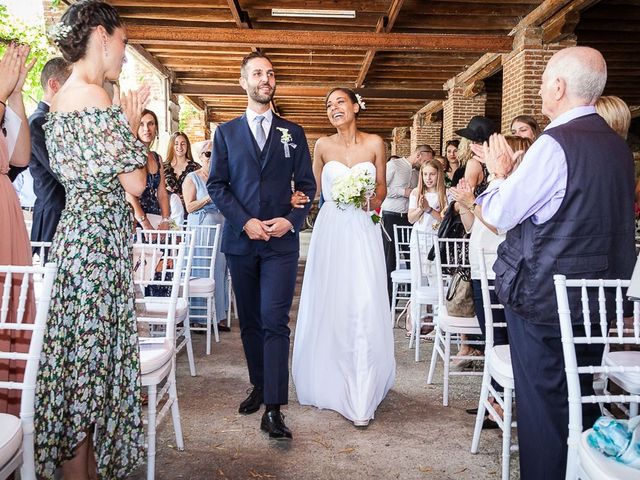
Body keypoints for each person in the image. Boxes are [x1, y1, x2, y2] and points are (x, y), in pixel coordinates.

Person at [474, 46, 635, 479]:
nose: (543, 87)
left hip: (544, 299)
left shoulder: (553, 144)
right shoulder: (618, 149)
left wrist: (499, 174)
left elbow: (497, 216)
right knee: (578, 397)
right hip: (597, 302)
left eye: (545, 80)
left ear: (559, 87)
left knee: (543, 408)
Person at [32, 1, 150, 477]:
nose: (124, 52)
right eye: (123, 42)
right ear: (102, 36)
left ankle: (81, 469)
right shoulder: (96, 99)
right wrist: (131, 125)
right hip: (97, 247)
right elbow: (137, 184)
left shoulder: (60, 99)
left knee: (78, 361)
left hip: (76, 238)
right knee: (91, 366)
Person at [208, 51, 316, 440]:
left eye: (270, 73)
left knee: (275, 322)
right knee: (250, 322)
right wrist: (244, 221)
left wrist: (290, 220)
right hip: (241, 241)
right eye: (257, 73)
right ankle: (258, 383)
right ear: (244, 81)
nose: (265, 78)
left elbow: (307, 186)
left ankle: (274, 408)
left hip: (281, 244)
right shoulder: (226, 133)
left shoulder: (294, 132)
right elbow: (216, 185)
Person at [292, 87, 395, 427]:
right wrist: (294, 202)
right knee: (333, 301)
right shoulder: (321, 146)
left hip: (364, 229)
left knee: (364, 302)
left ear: (355, 106)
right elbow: (313, 190)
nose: (333, 108)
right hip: (332, 230)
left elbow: (381, 189)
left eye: (339, 102)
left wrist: (370, 199)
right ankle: (333, 381)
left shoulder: (375, 143)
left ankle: (363, 390)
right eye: (328, 105)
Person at [0, 41, 36, 417]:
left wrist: (17, 95)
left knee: (13, 311)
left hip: (6, 209)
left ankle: (11, 417)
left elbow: (20, 156)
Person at [184, 139, 229, 331]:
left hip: (221, 228)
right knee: (199, 269)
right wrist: (209, 197)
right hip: (200, 229)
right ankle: (198, 318)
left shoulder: (223, 178)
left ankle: (218, 316)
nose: (211, 158)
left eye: (215, 153)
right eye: (208, 154)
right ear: (200, 157)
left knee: (219, 270)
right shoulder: (192, 178)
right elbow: (189, 206)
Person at [29, 56, 71, 248]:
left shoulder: (61, 119)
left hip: (66, 211)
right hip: (52, 212)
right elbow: (58, 167)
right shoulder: (38, 122)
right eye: (69, 84)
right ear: (53, 84)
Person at [380, 145, 425, 300]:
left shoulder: (416, 173)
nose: (426, 165)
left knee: (412, 256)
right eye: (426, 160)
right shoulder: (394, 165)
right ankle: (388, 300)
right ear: (419, 155)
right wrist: (403, 192)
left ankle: (413, 300)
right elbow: (380, 188)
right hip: (391, 216)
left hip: (408, 218)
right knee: (390, 258)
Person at [407, 159, 446, 327]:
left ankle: (438, 321)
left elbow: (445, 220)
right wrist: (421, 209)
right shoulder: (416, 193)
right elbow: (410, 218)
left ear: (439, 175)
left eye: (432, 174)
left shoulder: (445, 194)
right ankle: (418, 320)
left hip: (435, 240)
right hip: (418, 239)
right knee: (417, 279)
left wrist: (430, 209)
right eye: (425, 174)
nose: (428, 178)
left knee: (436, 279)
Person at [127, 108, 171, 230]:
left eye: (150, 123)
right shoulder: (130, 155)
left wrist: (165, 219)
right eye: (141, 124)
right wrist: (144, 222)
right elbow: (129, 193)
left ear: (156, 128)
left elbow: (162, 192)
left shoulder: (157, 158)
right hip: (135, 221)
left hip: (155, 217)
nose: (146, 129)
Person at [164, 130, 200, 205]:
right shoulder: (163, 167)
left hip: (190, 211)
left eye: (183, 144)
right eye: (176, 144)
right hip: (168, 209)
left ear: (187, 146)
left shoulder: (196, 168)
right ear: (171, 146)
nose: (179, 147)